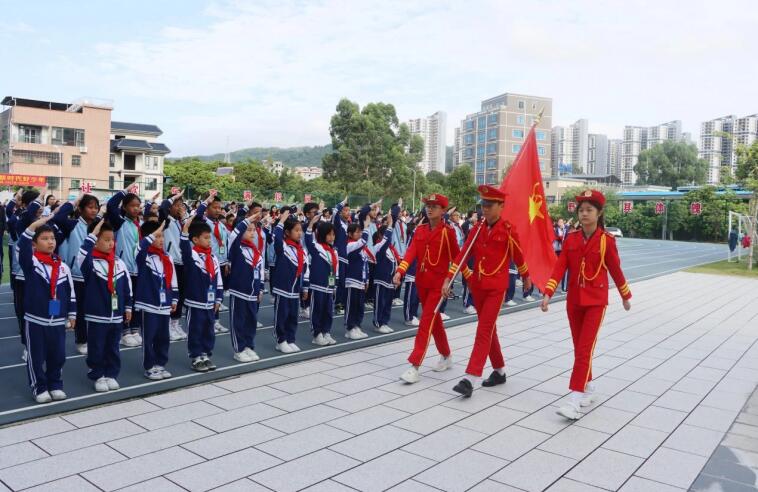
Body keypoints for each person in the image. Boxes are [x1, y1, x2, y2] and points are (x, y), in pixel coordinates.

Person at [541, 189, 632, 420]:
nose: (584, 214)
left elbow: (615, 269)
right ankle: (589, 388)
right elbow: (560, 266)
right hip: (574, 301)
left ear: (599, 213)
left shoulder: (606, 241)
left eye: (589, 210)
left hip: (595, 302)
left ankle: (574, 400)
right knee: (579, 349)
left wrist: (625, 294)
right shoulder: (570, 238)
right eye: (581, 210)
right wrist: (548, 292)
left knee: (584, 350)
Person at [443, 185, 530, 397]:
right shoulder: (477, 229)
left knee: (483, 330)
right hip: (478, 286)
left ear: (501, 206)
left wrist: (526, 276)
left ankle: (470, 378)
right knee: (489, 330)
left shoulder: (508, 230)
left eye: (490, 205)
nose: (485, 209)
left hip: (496, 288)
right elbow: (462, 255)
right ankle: (499, 371)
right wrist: (448, 279)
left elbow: (518, 255)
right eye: (483, 205)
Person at [393, 194, 461, 384]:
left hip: (439, 286)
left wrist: (452, 279)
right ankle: (446, 355)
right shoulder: (420, 230)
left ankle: (414, 365)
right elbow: (410, 252)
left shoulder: (448, 232)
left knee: (426, 321)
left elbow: (457, 258)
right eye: (428, 206)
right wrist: (400, 271)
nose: (430, 209)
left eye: (435, 206)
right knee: (435, 321)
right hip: (422, 283)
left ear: (443, 211)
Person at [18, 215, 76, 403]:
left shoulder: (63, 267)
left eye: (52, 238)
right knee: (36, 357)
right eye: (44, 238)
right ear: (34, 244)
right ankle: (39, 387)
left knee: (57, 356)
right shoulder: (31, 263)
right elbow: (22, 247)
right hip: (36, 320)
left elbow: (70, 292)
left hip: (58, 321)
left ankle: (55, 384)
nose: (50, 242)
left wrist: (72, 314)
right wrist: (33, 226)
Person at [78, 218, 132, 392]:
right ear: (95, 242)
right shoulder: (90, 263)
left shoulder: (119, 263)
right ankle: (98, 374)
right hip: (97, 315)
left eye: (112, 240)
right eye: (106, 240)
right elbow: (82, 255)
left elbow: (127, 288)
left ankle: (111, 374)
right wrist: (92, 235)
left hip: (116, 315)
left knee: (113, 346)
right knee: (97, 346)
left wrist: (128, 307)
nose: (111, 243)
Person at [54, 192, 101, 355]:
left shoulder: (99, 225)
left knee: (94, 308)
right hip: (77, 275)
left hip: (96, 274)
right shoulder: (72, 224)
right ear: (81, 209)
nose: (94, 211)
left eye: (96, 208)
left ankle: (92, 339)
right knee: (79, 309)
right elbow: (58, 218)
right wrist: (74, 202)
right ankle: (81, 340)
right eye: (90, 207)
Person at [181, 214, 224, 372]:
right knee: (196, 329)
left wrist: (218, 298)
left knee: (208, 329)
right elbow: (184, 249)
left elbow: (218, 279)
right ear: (195, 240)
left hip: (210, 302)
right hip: (196, 301)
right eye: (206, 238)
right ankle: (196, 356)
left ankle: (206, 354)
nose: (209, 241)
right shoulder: (192, 255)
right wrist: (185, 230)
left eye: (210, 237)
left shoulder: (212, 258)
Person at [136, 220, 178, 380]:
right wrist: (152, 234)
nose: (161, 240)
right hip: (149, 304)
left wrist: (174, 298)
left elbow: (173, 279)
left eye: (162, 236)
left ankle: (160, 363)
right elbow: (141, 247)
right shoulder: (144, 256)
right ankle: (149, 366)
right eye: (157, 236)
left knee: (163, 336)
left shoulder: (167, 257)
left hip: (165, 303)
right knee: (149, 337)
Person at [106, 183, 144, 348]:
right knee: (122, 300)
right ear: (125, 207)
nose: (136, 209)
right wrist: (124, 191)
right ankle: (124, 331)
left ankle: (134, 329)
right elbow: (110, 205)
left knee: (136, 300)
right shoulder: (120, 222)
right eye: (132, 206)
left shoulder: (140, 225)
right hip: (124, 269)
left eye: (138, 206)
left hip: (138, 269)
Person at [227, 210, 264, 362]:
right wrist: (246, 221)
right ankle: (239, 349)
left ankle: (249, 345)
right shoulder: (236, 249)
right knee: (239, 321)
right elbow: (233, 236)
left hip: (253, 293)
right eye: (248, 229)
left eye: (253, 230)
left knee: (251, 321)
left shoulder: (256, 252)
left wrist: (261, 288)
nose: (251, 232)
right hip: (239, 292)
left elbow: (260, 271)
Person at [271, 208, 308, 353]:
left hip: (295, 290)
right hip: (283, 288)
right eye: (296, 230)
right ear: (287, 232)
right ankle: (281, 340)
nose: (300, 233)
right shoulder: (283, 247)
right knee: (282, 315)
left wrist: (304, 287)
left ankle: (290, 339)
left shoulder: (301, 250)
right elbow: (276, 237)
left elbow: (305, 270)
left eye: (301, 230)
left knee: (293, 316)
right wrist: (281, 221)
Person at [195, 191, 230, 333]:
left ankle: (215, 320)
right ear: (208, 208)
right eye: (214, 207)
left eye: (220, 208)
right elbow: (198, 214)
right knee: (206, 292)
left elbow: (225, 244)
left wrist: (226, 261)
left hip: (219, 263)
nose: (218, 210)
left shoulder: (221, 225)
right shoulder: (203, 223)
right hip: (205, 262)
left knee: (216, 293)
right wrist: (205, 202)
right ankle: (205, 320)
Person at [159, 189, 189, 341]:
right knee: (171, 295)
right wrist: (172, 199)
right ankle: (168, 324)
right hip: (170, 262)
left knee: (181, 295)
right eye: (176, 204)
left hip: (183, 262)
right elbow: (162, 209)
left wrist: (185, 218)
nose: (180, 208)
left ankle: (176, 323)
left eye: (181, 205)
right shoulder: (166, 221)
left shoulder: (180, 221)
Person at [304, 214, 339, 346]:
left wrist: (334, 286)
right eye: (329, 234)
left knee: (328, 311)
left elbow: (336, 269)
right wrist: (311, 224)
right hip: (318, 285)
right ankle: (317, 334)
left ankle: (326, 332)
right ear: (322, 235)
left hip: (329, 287)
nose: (332, 237)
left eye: (333, 234)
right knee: (317, 310)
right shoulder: (317, 247)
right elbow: (307, 240)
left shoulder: (334, 251)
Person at [344, 214, 373, 339]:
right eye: (357, 232)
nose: (360, 234)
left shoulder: (361, 248)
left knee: (359, 306)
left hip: (361, 281)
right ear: (350, 234)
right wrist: (366, 227)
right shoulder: (349, 245)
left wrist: (366, 280)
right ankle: (349, 328)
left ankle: (357, 326)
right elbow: (363, 240)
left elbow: (365, 265)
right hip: (351, 280)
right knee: (352, 304)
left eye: (361, 232)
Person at [372, 214, 396, 334]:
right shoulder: (378, 246)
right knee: (380, 302)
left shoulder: (390, 249)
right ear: (381, 235)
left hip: (389, 280)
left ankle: (384, 322)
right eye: (387, 234)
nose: (389, 237)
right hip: (381, 279)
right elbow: (386, 241)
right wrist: (390, 225)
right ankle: (378, 323)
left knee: (387, 303)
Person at [332, 196, 351, 315]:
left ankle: (341, 302)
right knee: (335, 281)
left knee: (344, 282)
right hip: (338, 256)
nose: (348, 213)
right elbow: (334, 212)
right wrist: (341, 203)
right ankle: (337, 304)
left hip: (346, 257)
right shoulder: (338, 223)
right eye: (345, 210)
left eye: (349, 211)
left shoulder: (348, 224)